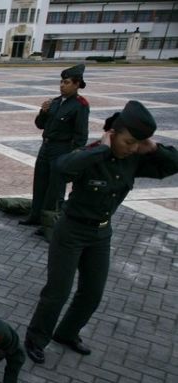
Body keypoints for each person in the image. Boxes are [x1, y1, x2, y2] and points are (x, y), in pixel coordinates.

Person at [25, 102, 178, 364]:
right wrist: (101, 149)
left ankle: (67, 333)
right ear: (112, 133)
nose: (131, 148)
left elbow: (173, 165)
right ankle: (36, 339)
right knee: (57, 292)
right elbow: (62, 168)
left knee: (92, 292)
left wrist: (153, 148)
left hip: (101, 234)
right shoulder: (93, 155)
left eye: (136, 144)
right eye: (127, 141)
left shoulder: (134, 160)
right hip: (71, 231)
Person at [20, 64, 90, 227]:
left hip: (62, 150)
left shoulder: (80, 105)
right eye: (61, 82)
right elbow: (40, 125)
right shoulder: (56, 102)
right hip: (46, 147)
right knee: (40, 183)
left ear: (76, 84)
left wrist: (72, 158)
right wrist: (43, 112)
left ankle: (48, 223)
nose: (62, 85)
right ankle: (35, 216)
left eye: (66, 82)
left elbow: (81, 136)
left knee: (55, 189)